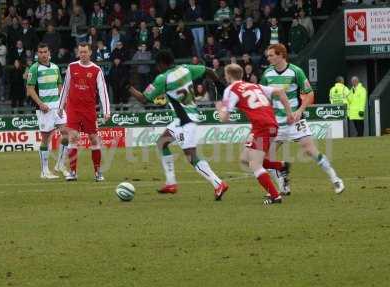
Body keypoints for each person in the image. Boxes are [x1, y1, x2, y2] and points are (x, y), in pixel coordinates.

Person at [129, 50, 229, 200]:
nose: (157, 68)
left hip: (185, 120)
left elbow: (144, 99)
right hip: (187, 116)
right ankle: (171, 183)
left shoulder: (163, 78)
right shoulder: (186, 69)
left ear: (162, 64)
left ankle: (218, 183)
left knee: (191, 157)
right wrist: (219, 85)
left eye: (158, 65)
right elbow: (208, 70)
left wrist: (128, 88)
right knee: (162, 142)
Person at [260, 43, 344, 195]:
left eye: (271, 55)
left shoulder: (295, 71)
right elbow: (261, 95)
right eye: (268, 55)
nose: (268, 58)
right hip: (276, 123)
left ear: (281, 55)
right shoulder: (267, 74)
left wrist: (299, 110)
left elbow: (310, 93)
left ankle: (335, 179)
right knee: (265, 157)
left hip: (295, 121)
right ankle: (283, 183)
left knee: (310, 150)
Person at [216, 63, 294, 204]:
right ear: (241, 75)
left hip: (262, 127)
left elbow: (224, 118)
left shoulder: (231, 89)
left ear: (228, 76)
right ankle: (281, 166)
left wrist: (219, 107)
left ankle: (275, 196)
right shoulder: (255, 86)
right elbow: (281, 92)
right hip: (269, 124)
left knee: (254, 164)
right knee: (245, 158)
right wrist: (289, 114)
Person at [58, 42, 110, 182]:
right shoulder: (72, 67)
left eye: (85, 52)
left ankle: (97, 172)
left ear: (90, 52)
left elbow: (103, 90)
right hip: (73, 108)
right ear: (78, 52)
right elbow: (65, 87)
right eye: (80, 52)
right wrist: (60, 106)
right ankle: (73, 172)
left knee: (93, 139)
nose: (83, 54)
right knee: (73, 137)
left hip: (89, 110)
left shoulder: (96, 70)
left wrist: (106, 110)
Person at [26, 43, 69, 179]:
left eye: (45, 52)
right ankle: (44, 171)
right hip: (44, 108)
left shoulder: (55, 67)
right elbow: (30, 90)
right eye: (40, 52)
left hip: (57, 107)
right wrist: (40, 103)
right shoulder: (34, 68)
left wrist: (62, 103)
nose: (43, 54)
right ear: (37, 54)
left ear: (49, 52)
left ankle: (60, 164)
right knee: (45, 139)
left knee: (66, 134)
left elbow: (59, 85)